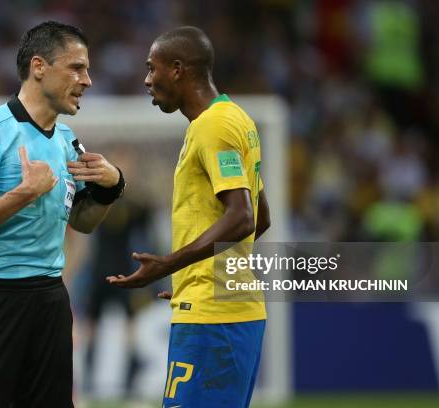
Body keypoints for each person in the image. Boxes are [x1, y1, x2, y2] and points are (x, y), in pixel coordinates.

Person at [0, 21, 125, 408]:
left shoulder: (67, 142)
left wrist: (112, 188)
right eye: (76, 68)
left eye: (88, 69)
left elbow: (82, 222)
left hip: (48, 300)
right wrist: (23, 193)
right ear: (39, 66)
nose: (88, 80)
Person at [107, 26, 270, 408]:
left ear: (178, 69)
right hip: (226, 308)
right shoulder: (237, 120)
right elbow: (262, 218)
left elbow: (244, 218)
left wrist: (169, 264)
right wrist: (192, 275)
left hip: (214, 318)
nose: (147, 80)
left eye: (152, 69)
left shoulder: (212, 126)